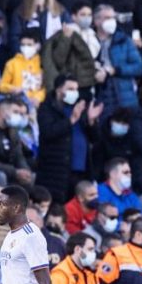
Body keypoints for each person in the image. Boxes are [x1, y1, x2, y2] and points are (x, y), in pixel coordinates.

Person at [36, 75, 104, 203]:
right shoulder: (47, 108)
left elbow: (95, 138)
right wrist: (71, 120)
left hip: (81, 173)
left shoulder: (79, 109)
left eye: (76, 89)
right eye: (70, 89)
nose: (75, 93)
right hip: (56, 173)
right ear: (58, 90)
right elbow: (48, 132)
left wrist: (91, 121)